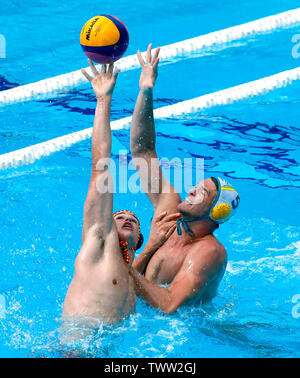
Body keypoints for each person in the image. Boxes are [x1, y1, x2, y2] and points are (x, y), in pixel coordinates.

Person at [130, 44, 240, 314]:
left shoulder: (209, 253)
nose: (191, 189)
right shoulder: (168, 214)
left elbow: (169, 306)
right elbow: (142, 151)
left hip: (189, 332)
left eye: (202, 192)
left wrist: (122, 268)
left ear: (217, 210)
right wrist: (146, 90)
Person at [63, 60, 144, 325]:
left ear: (140, 238)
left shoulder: (134, 275)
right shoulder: (99, 236)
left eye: (132, 218)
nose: (126, 218)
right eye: (118, 216)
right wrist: (103, 100)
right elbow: (101, 165)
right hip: (72, 351)